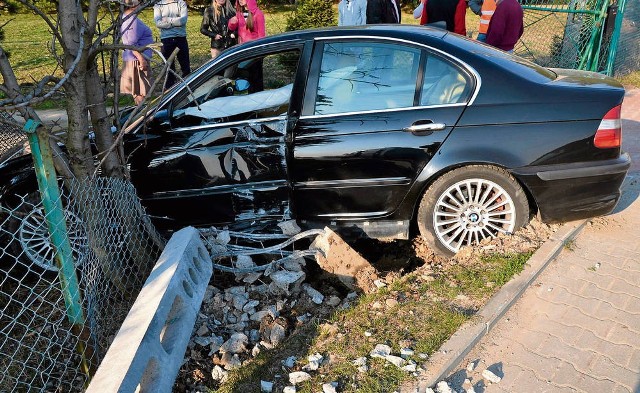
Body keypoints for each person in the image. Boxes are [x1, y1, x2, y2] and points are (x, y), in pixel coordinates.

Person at [120, 0, 154, 105]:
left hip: (134, 59)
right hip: (137, 61)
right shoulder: (131, 20)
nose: (142, 3)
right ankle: (143, 118)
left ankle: (141, 116)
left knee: (139, 93)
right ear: (133, 4)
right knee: (141, 93)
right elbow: (131, 43)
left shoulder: (126, 17)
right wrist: (141, 60)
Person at [154, 0, 191, 89]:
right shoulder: (158, 5)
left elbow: (183, 21)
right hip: (166, 39)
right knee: (169, 68)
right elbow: (158, 24)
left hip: (180, 38)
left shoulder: (181, 3)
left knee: (186, 67)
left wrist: (168, 20)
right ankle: (170, 91)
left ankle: (189, 87)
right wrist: (175, 22)